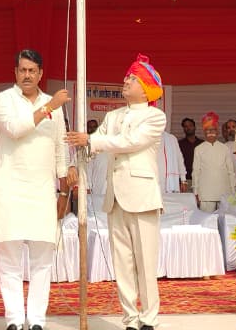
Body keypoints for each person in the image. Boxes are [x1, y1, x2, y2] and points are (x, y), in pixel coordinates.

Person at [66, 54, 167, 330]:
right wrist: (76, 160)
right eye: (127, 76)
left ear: (145, 88)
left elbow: (131, 141)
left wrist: (92, 140)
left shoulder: (155, 116)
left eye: (132, 78)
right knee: (122, 262)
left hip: (142, 195)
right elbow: (94, 145)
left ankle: (149, 318)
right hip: (115, 197)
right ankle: (130, 319)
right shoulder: (112, 116)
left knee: (145, 262)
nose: (126, 81)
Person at [0, 49, 74, 330]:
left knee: (43, 260)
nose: (27, 75)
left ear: (40, 74)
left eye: (32, 70)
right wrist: (48, 107)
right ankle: (15, 320)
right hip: (9, 189)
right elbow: (14, 129)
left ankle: (37, 320)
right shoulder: (5, 99)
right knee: (9, 260)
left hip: (42, 191)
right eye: (22, 70)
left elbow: (60, 150)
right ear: (15, 72)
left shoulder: (54, 106)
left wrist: (63, 192)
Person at [192, 113, 236, 210]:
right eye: (208, 130)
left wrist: (233, 191)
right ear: (204, 132)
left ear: (218, 131)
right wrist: (196, 192)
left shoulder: (224, 148)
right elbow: (196, 172)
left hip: (224, 192)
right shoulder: (199, 149)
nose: (211, 132)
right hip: (206, 194)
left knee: (225, 218)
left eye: (213, 129)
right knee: (206, 218)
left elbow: (231, 171)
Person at [178, 118, 200, 182]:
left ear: (195, 127)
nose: (188, 128)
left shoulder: (202, 144)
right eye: (186, 126)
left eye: (190, 125)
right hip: (185, 179)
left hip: (200, 179)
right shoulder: (179, 144)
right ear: (183, 129)